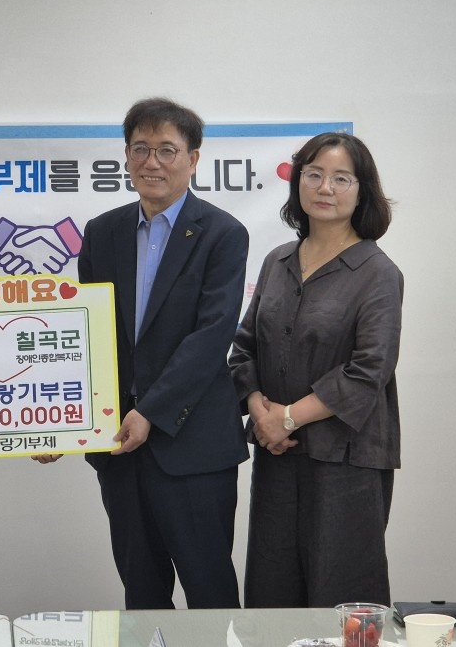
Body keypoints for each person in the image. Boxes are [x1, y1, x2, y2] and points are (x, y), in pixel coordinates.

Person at [76, 97, 249, 609]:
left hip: (192, 445)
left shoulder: (223, 234)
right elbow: (88, 334)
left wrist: (150, 411)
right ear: (126, 156)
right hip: (119, 446)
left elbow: (212, 336)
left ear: (193, 159)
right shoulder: (102, 232)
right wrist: (65, 423)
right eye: (141, 149)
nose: (152, 162)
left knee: (210, 592)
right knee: (142, 593)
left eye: (167, 150)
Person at [229, 132, 402, 608]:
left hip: (346, 461)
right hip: (278, 455)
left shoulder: (378, 272)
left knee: (341, 595)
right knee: (272, 592)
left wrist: (286, 418)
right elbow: (244, 349)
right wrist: (259, 410)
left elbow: (369, 369)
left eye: (341, 178)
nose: (325, 188)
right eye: (314, 175)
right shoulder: (277, 261)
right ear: (298, 182)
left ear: (362, 191)